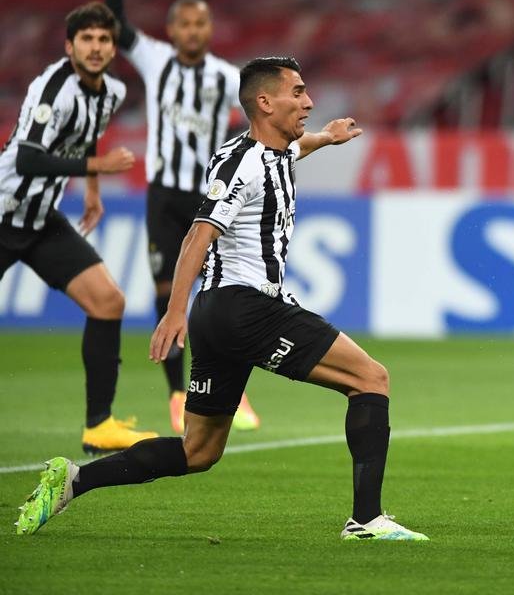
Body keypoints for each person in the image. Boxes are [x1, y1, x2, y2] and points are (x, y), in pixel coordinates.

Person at [17, 56, 428, 541]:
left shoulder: (269, 152)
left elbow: (293, 152)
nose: (309, 102)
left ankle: (74, 479)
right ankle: (366, 520)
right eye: (297, 93)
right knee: (370, 379)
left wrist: (326, 137)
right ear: (264, 101)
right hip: (247, 307)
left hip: (220, 315)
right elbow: (198, 235)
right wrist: (173, 313)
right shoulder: (244, 163)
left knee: (199, 452)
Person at [105, 0, 260, 434]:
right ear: (171, 30)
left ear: (210, 30)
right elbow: (115, 24)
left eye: (201, 23)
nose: (193, 31)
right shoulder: (155, 61)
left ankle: (229, 391)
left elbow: (260, 116)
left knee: (224, 292)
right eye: (185, 24)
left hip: (210, 195)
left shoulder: (226, 77)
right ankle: (177, 393)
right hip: (165, 195)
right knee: (167, 288)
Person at [0, 2, 158, 454]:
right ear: (69, 46)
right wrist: (98, 166)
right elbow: (29, 158)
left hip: (40, 219)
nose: (95, 47)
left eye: (104, 39)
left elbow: (86, 134)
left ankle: (99, 425)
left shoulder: (111, 91)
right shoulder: (53, 88)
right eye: (85, 39)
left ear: (113, 49)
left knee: (108, 301)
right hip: (3, 212)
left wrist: (91, 189)